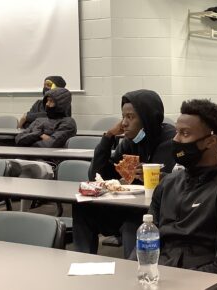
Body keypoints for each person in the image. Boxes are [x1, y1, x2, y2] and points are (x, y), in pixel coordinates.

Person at [148, 99, 217, 290]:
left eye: (185, 133)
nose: (175, 140)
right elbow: (147, 241)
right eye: (176, 132)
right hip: (160, 278)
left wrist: (174, 283)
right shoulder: (168, 183)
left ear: (211, 141)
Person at [73, 89, 176, 256]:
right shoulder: (129, 142)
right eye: (123, 116)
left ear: (148, 118)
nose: (124, 123)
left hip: (154, 211)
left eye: (131, 117)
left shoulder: (170, 140)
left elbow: (174, 183)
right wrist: (108, 137)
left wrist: (151, 174)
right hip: (128, 205)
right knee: (83, 208)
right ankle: (82, 260)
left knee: (133, 222)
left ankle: (133, 271)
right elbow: (96, 177)